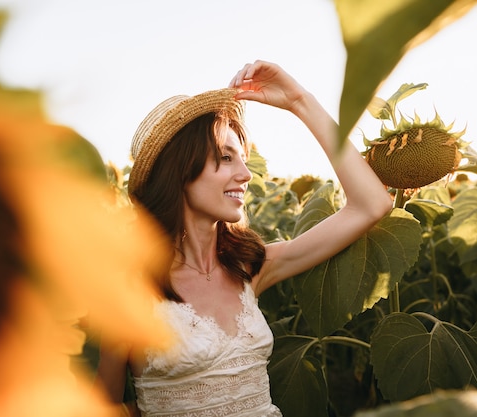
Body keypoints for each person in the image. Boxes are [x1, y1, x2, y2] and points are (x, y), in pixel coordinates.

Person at [96, 60, 393, 417]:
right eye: (225, 157)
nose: (246, 174)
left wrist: (300, 101)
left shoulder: (250, 267)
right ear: (179, 171)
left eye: (243, 158)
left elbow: (371, 204)